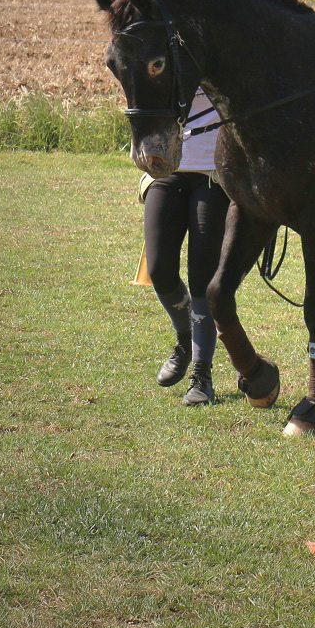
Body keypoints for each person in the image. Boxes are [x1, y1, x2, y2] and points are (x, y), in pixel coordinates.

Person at [140, 88, 229, 406]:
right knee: (159, 269)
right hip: (167, 167)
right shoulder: (164, 49)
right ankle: (184, 338)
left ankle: (201, 376)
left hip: (214, 173)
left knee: (202, 276)